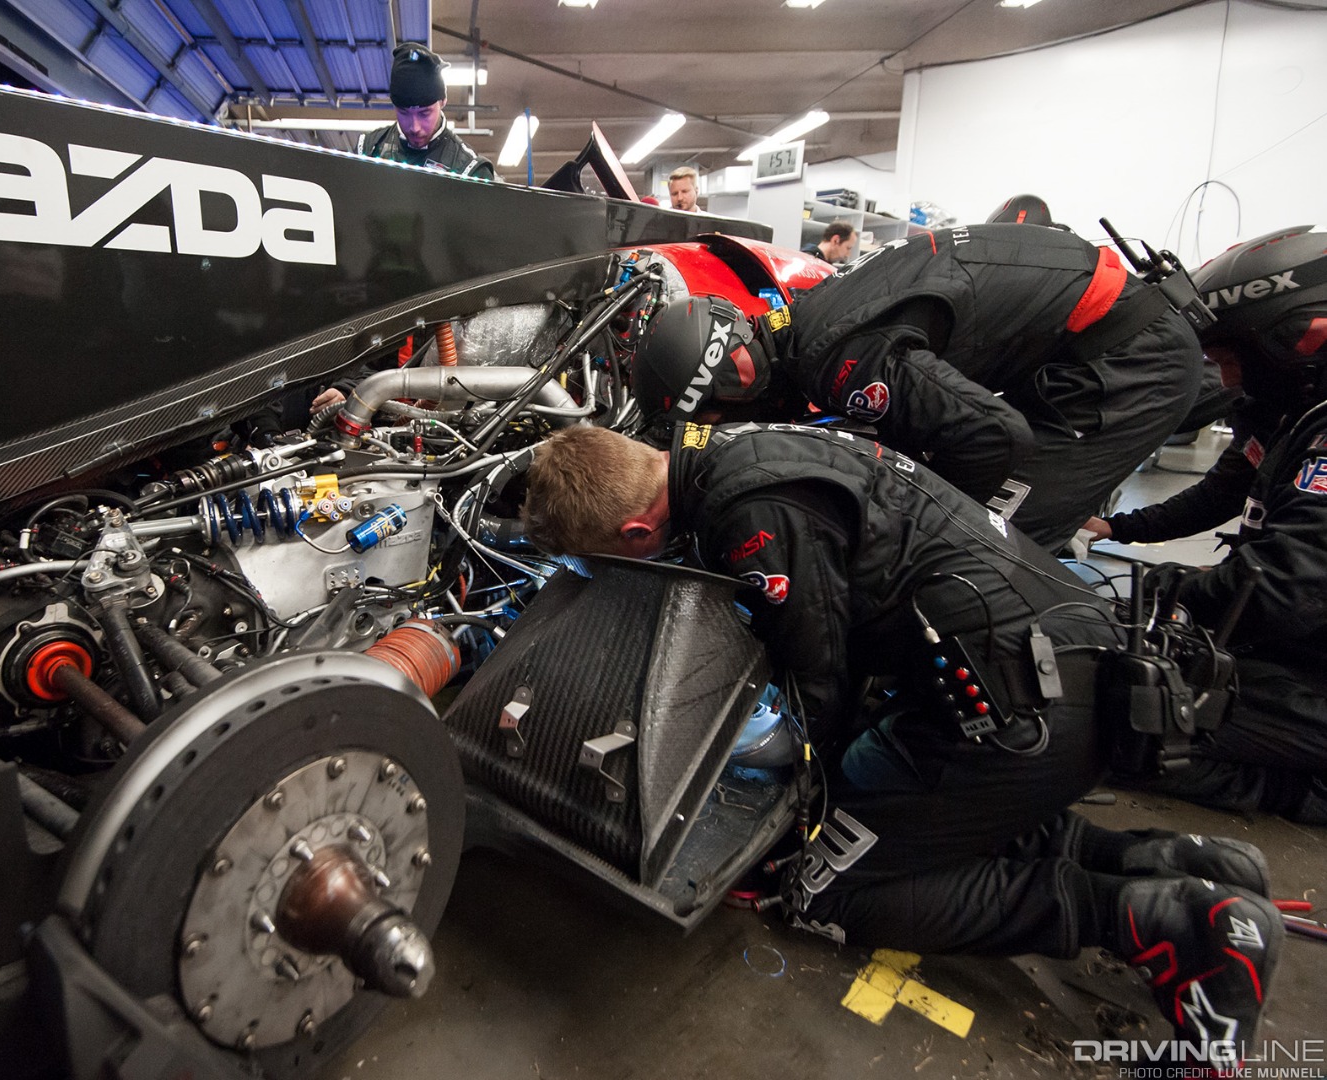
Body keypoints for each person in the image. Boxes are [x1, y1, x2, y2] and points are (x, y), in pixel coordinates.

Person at [521, 421, 1282, 1061]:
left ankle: (1165, 922)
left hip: (1026, 711)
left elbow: (819, 684)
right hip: (1061, 663)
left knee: (819, 883)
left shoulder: (747, 515)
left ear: (636, 530)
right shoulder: (731, 448)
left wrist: (788, 827)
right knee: (900, 807)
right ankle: (1170, 860)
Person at [630, 222, 1206, 551]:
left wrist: (918, 517)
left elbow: (997, 439)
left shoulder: (837, 359)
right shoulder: (810, 318)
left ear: (735, 372)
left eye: (715, 416)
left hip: (1132, 363)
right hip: (1100, 341)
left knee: (987, 550)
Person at [1083, 225, 1327, 824]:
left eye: (1229, 357)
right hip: (1294, 651)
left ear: (1292, 340)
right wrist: (1121, 530)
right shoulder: (1289, 416)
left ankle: (1307, 793)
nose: (1225, 377)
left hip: (1309, 672)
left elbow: (1285, 587)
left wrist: (1170, 589)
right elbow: (1223, 491)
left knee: (1122, 720)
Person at [358, 43, 495, 180]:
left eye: (424, 113)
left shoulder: (469, 170)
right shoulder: (368, 150)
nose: (415, 127)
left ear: (443, 101)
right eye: (404, 113)